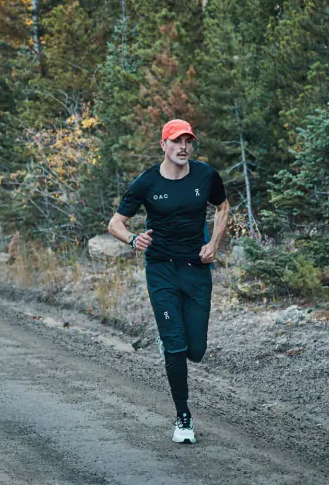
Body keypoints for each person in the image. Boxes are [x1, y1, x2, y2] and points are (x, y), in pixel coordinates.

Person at [108, 118, 229, 444]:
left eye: (187, 141)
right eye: (176, 141)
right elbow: (115, 223)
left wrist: (213, 244)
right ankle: (183, 418)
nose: (183, 147)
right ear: (164, 145)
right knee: (176, 345)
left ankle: (173, 344)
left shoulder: (206, 176)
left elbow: (223, 207)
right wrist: (133, 240)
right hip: (161, 269)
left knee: (196, 350)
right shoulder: (147, 182)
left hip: (196, 269)